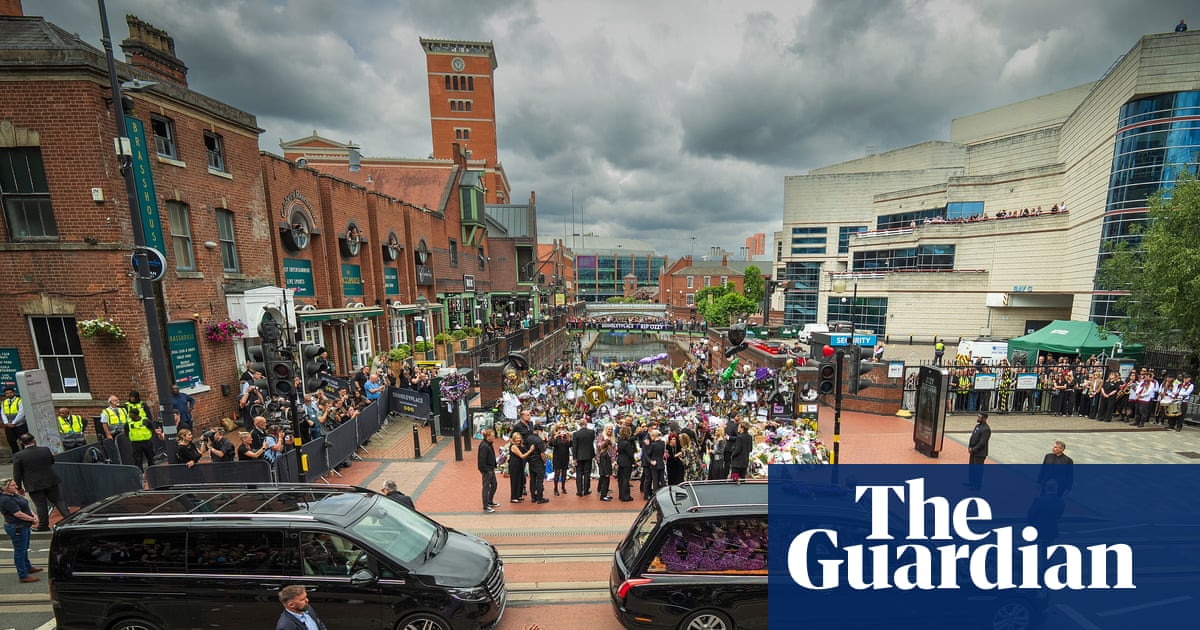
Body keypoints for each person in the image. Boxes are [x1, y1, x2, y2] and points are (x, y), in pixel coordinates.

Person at [12, 434, 71, 532]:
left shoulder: (18, 456)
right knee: (58, 500)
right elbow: (51, 461)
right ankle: (70, 519)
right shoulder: (45, 450)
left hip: (34, 484)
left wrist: (18, 488)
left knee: (41, 505)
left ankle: (43, 525)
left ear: (22, 443)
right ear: (34, 440)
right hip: (50, 480)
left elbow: (17, 474)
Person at [1, 477, 41, 582]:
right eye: (13, 485)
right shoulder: (6, 500)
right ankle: (23, 575)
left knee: (24, 548)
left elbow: (25, 506)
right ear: (5, 488)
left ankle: (28, 567)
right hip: (17, 527)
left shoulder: (14, 495)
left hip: (24, 526)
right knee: (20, 551)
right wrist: (32, 520)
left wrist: (34, 515)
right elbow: (18, 514)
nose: (16, 486)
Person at [966, 412, 991, 490]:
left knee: (978, 470)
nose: (978, 418)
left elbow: (982, 443)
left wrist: (973, 449)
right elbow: (972, 437)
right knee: (972, 468)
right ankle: (972, 482)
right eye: (978, 416)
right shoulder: (977, 426)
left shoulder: (986, 429)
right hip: (973, 451)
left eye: (980, 417)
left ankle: (977, 486)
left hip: (980, 453)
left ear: (984, 418)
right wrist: (970, 447)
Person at [571, 420, 596, 496]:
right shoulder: (591, 432)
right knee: (587, 473)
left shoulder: (576, 434)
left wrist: (574, 458)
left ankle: (579, 491)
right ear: (586, 424)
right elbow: (592, 441)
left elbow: (574, 447)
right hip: (589, 455)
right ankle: (586, 490)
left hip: (579, 456)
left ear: (579, 425)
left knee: (579, 474)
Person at [526, 425, 548, 504]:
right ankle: (540, 498)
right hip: (539, 462)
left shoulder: (528, 438)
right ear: (539, 431)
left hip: (531, 461)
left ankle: (533, 497)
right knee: (539, 480)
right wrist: (545, 462)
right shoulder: (539, 440)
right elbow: (542, 453)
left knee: (532, 480)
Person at [478, 429, 499, 513]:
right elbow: (482, 460)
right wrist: (485, 470)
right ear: (488, 437)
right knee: (486, 487)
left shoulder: (489, 444)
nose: (494, 437)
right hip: (487, 470)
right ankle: (485, 506)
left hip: (490, 468)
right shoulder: (484, 446)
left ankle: (490, 501)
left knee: (494, 484)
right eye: (493, 436)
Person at [2, 386, 26, 456]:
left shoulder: (19, 400)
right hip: (9, 426)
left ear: (13, 393)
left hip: (20, 425)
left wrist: (13, 423)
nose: (9, 394)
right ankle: (16, 457)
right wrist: (6, 423)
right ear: (5, 394)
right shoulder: (4, 402)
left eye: (10, 393)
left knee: (23, 442)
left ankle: (25, 456)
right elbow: (3, 413)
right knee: (11, 442)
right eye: (7, 393)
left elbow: (21, 413)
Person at [549, 423, 572, 496]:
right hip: (557, 457)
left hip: (565, 457)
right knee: (557, 473)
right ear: (557, 428)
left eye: (563, 427)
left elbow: (570, 445)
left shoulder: (566, 435)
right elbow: (551, 444)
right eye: (560, 427)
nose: (561, 429)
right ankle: (555, 489)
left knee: (564, 474)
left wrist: (569, 438)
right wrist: (555, 436)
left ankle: (563, 487)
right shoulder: (555, 435)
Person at [508, 432, 529, 503]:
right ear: (514, 439)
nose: (518, 439)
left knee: (520, 480)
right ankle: (513, 497)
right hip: (514, 465)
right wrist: (530, 451)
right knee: (515, 481)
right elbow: (522, 456)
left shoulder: (520, 446)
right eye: (517, 438)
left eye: (519, 438)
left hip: (520, 465)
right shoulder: (513, 446)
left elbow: (524, 451)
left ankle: (518, 495)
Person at [616, 426, 635, 502]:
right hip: (627, 462)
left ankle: (621, 495)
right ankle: (626, 496)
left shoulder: (620, 441)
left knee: (621, 479)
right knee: (626, 479)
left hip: (620, 461)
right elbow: (630, 454)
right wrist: (634, 461)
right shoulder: (627, 443)